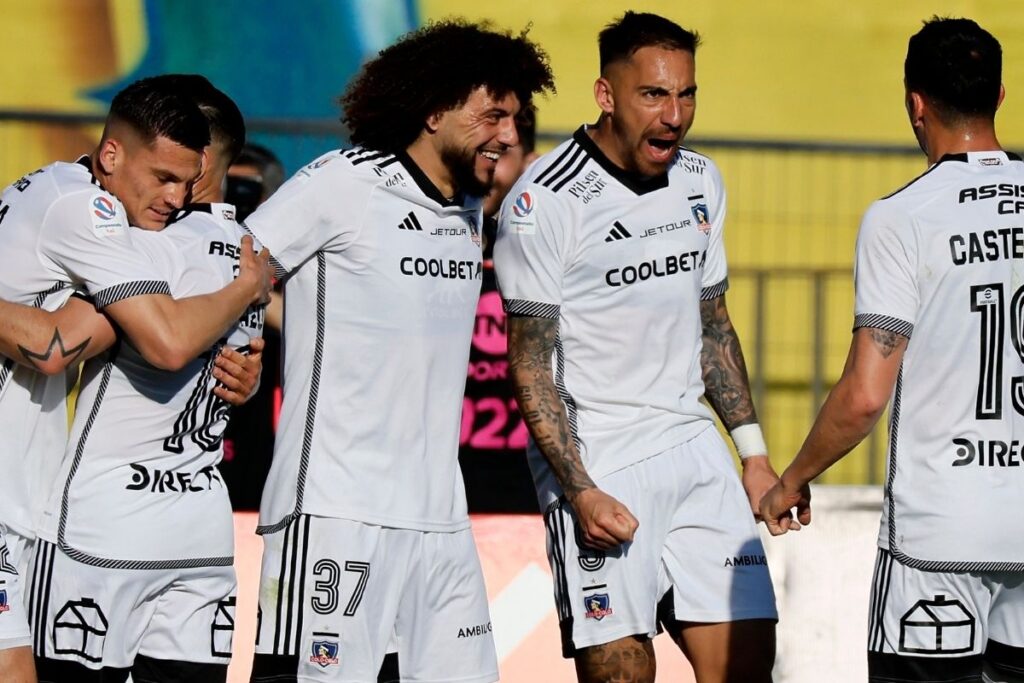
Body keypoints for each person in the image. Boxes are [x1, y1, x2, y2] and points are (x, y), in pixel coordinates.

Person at [244, 20, 554, 683]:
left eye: (516, 118)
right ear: (435, 110)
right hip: (335, 512)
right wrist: (285, 327)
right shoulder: (343, 182)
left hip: (440, 519)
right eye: (494, 115)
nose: (508, 135)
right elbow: (235, 266)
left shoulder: (468, 204)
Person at [494, 12, 778, 683]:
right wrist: (578, 489)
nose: (674, 115)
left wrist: (755, 454)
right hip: (602, 459)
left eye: (686, 94)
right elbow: (529, 361)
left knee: (746, 670)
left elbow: (713, 324)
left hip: (694, 448)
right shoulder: (544, 202)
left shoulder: (702, 180)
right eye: (653, 94)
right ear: (606, 95)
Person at [761, 16, 1024, 683]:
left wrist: (792, 478)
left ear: (914, 103)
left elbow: (864, 394)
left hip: (940, 538)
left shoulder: (903, 217)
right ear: (999, 96)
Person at [0, 76, 271, 683]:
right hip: (142, 520)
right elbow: (64, 346)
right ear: (115, 154)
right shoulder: (95, 213)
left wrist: (235, 362)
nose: (174, 198)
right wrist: (242, 294)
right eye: (164, 177)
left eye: (184, 179)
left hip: (76, 514)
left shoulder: (85, 205)